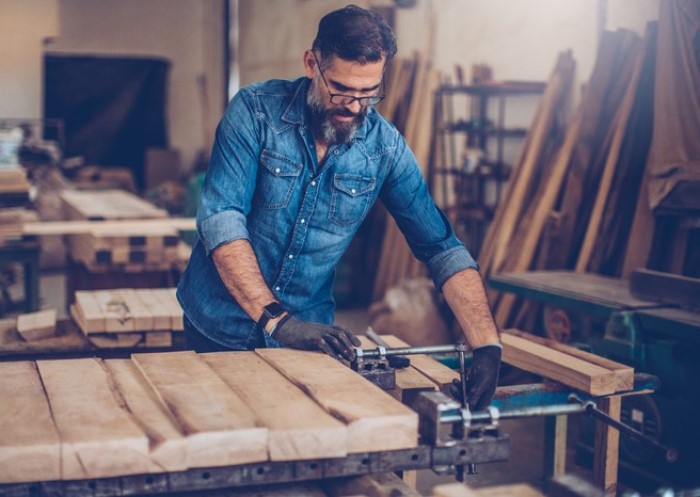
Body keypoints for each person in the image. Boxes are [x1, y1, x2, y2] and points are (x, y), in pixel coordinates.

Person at [177, 4, 502, 410]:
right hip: (218, 326)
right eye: (342, 89)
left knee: (296, 441)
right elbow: (222, 220)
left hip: (310, 335)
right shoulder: (255, 113)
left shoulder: (384, 148)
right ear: (312, 63)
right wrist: (279, 321)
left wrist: (486, 345)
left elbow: (441, 246)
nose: (353, 106)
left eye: (368, 93)